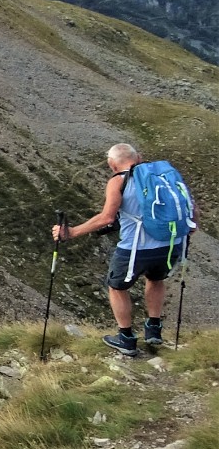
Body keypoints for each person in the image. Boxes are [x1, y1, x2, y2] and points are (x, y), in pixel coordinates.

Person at [51, 144, 197, 356]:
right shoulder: (165, 175)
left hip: (135, 248)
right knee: (155, 279)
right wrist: (191, 227)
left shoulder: (118, 180)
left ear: (112, 164)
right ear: (138, 157)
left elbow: (107, 217)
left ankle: (126, 338)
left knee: (117, 287)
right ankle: (153, 329)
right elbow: (191, 205)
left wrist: (72, 232)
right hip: (170, 243)